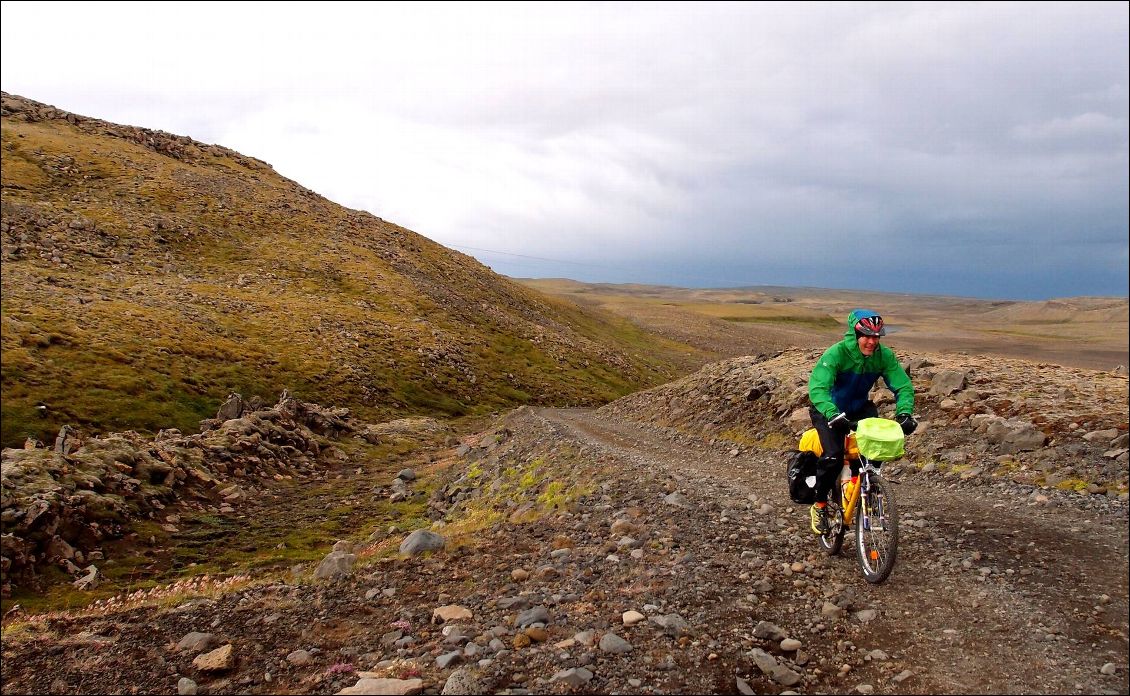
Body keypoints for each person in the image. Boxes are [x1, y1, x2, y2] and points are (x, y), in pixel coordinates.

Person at [806, 309, 916, 534]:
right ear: (855, 334)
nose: (872, 341)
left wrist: (904, 413)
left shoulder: (884, 356)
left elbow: (902, 385)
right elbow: (818, 388)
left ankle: (867, 489)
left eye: (876, 336)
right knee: (834, 457)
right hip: (827, 409)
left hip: (858, 409)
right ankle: (819, 506)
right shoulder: (836, 354)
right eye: (866, 335)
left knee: (873, 453)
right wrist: (831, 412)